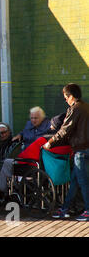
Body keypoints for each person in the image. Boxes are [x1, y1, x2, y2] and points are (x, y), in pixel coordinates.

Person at [0, 112, 72, 201]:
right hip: (59, 169)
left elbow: (26, 155)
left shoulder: (44, 140)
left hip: (36, 167)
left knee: (8, 162)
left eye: (52, 124)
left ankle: (1, 190)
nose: (50, 126)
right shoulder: (67, 141)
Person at [44, 83, 89, 222]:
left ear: (71, 96)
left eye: (66, 97)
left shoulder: (75, 109)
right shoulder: (86, 107)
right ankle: (65, 208)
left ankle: (88, 211)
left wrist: (50, 142)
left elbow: (65, 130)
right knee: (75, 181)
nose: (65, 100)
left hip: (80, 150)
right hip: (85, 149)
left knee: (83, 182)